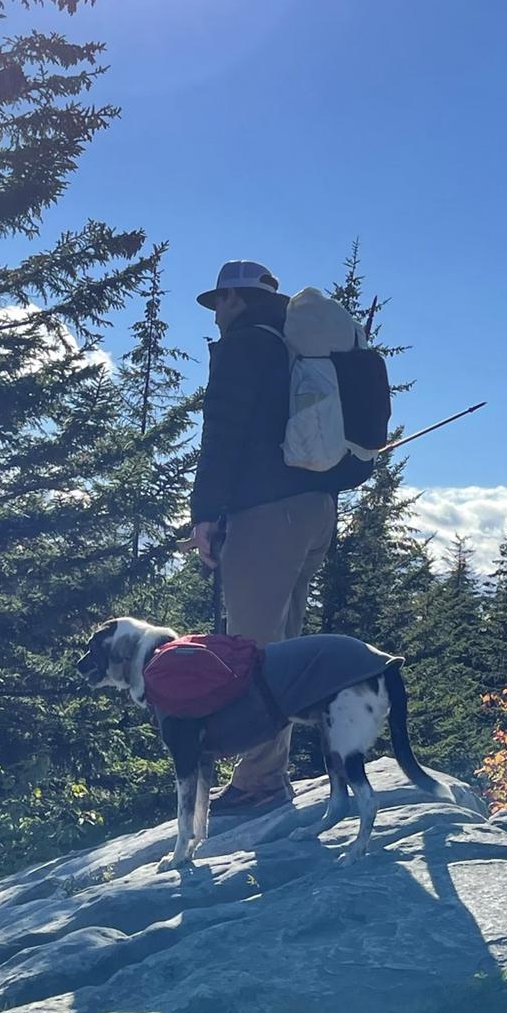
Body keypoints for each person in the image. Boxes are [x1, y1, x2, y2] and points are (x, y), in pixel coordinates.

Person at [188, 259, 340, 816]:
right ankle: (269, 771)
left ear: (234, 299)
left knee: (254, 650)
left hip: (266, 515)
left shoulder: (244, 346)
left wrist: (205, 513)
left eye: (219, 302)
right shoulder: (297, 346)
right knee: (286, 644)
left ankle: (259, 782)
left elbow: (222, 433)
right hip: (316, 510)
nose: (216, 314)